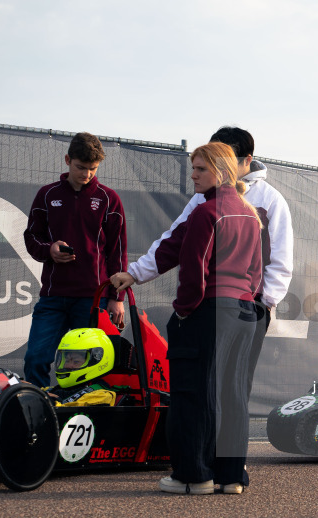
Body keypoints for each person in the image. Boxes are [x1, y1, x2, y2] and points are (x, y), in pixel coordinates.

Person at [111, 142, 263, 496]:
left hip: (208, 311)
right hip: (244, 312)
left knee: (193, 393)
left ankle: (194, 476)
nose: (193, 175)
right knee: (232, 395)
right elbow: (256, 273)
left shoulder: (206, 212)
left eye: (201, 170)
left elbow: (192, 271)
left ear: (222, 172)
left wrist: (183, 311)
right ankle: (230, 477)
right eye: (193, 168)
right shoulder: (249, 213)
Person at [126, 126, 292, 388]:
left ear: (246, 160)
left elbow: (280, 260)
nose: (217, 163)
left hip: (249, 308)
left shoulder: (271, 200)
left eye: (225, 156)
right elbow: (175, 239)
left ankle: (224, 431)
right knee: (208, 387)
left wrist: (264, 304)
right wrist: (136, 272)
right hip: (210, 307)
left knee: (235, 387)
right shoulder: (203, 199)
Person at [22, 132, 127, 389]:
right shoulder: (47, 195)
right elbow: (31, 239)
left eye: (93, 169)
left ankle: (79, 417)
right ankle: (35, 411)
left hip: (93, 300)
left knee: (85, 367)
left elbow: (118, 252)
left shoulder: (109, 199)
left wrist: (117, 298)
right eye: (81, 167)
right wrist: (50, 250)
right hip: (53, 297)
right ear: (68, 160)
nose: (87, 174)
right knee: (35, 358)